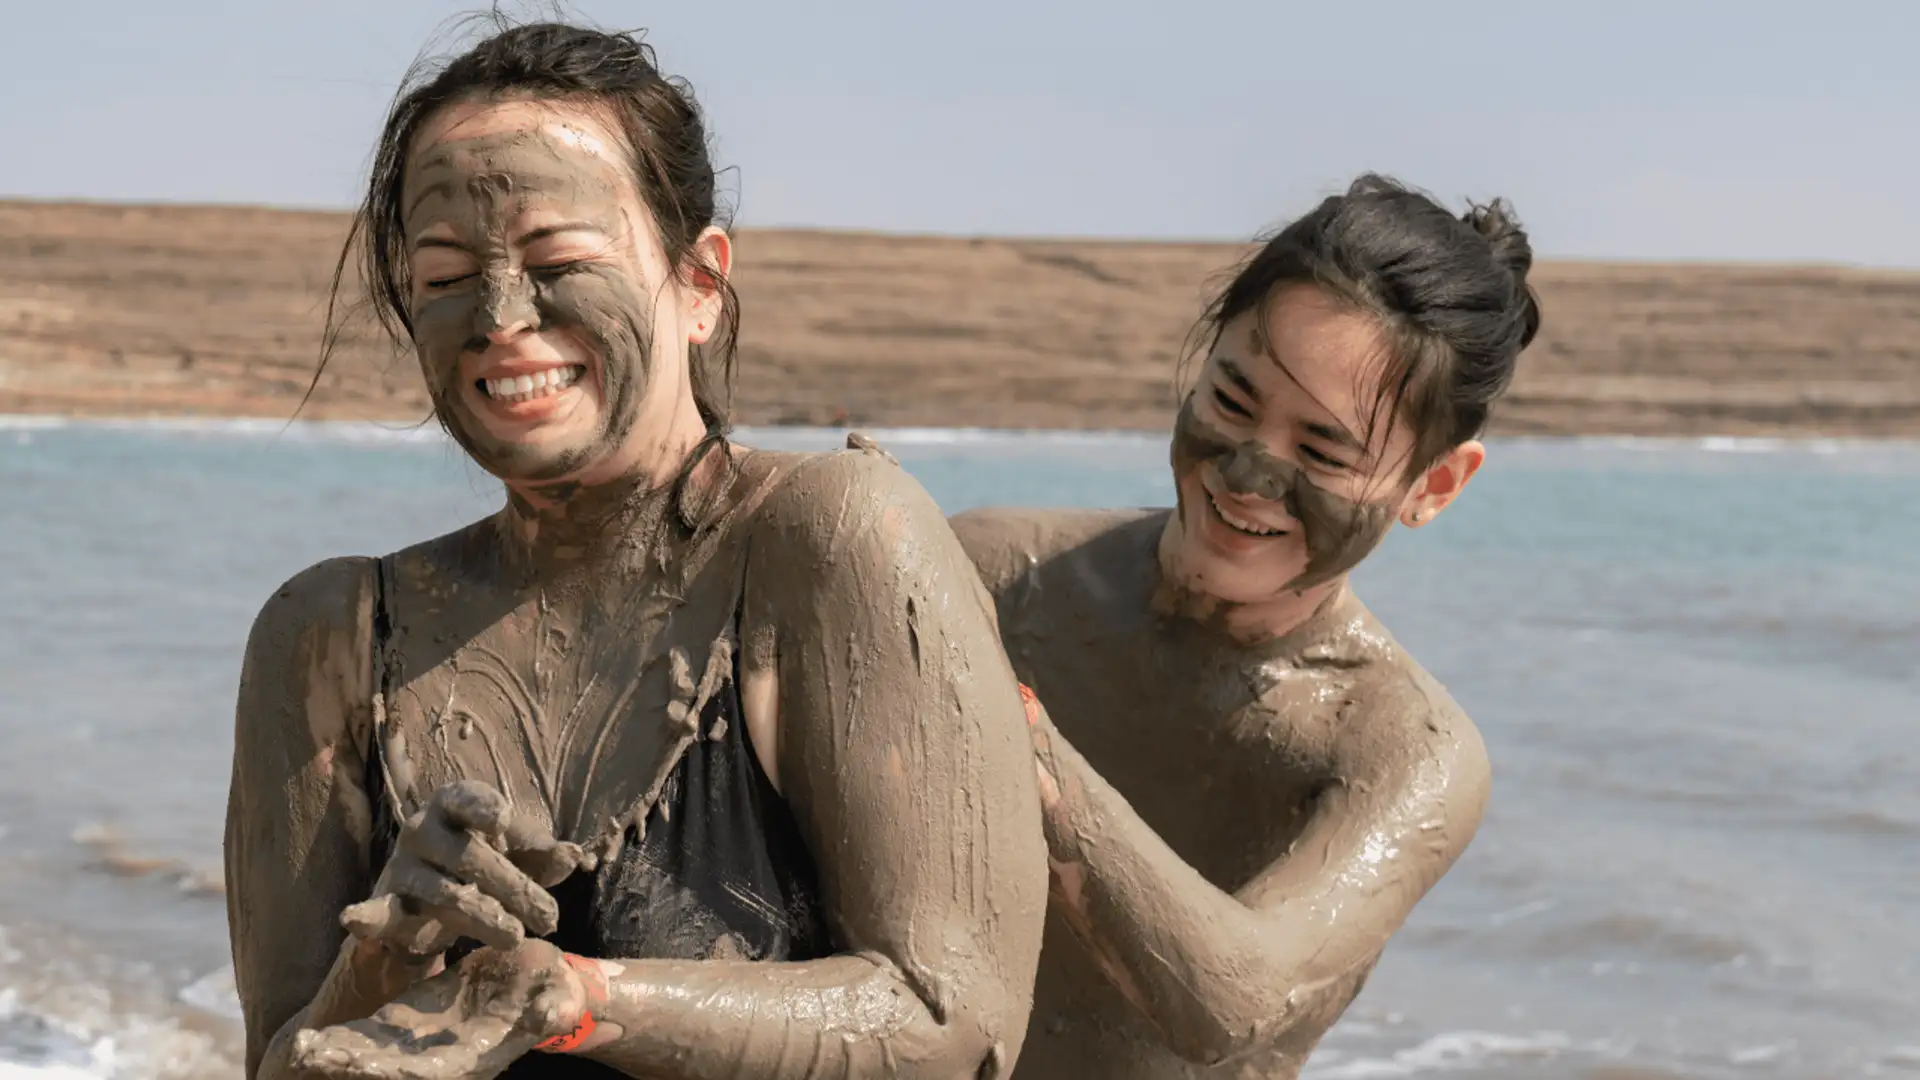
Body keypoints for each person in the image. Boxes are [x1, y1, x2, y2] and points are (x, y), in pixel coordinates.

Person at [221, 21, 1047, 1080]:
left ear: (698, 283)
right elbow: (283, 1067)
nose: (501, 318)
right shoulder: (332, 637)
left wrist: (575, 996)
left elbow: (955, 1024)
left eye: (560, 261)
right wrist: (386, 956)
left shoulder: (831, 540)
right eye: (444, 276)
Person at [950, 174, 1541, 1079]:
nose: (1250, 470)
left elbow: (1229, 1000)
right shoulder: (1000, 577)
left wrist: (1021, 741)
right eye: (1231, 400)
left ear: (1433, 486)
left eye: (1322, 450)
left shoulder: (1398, 749)